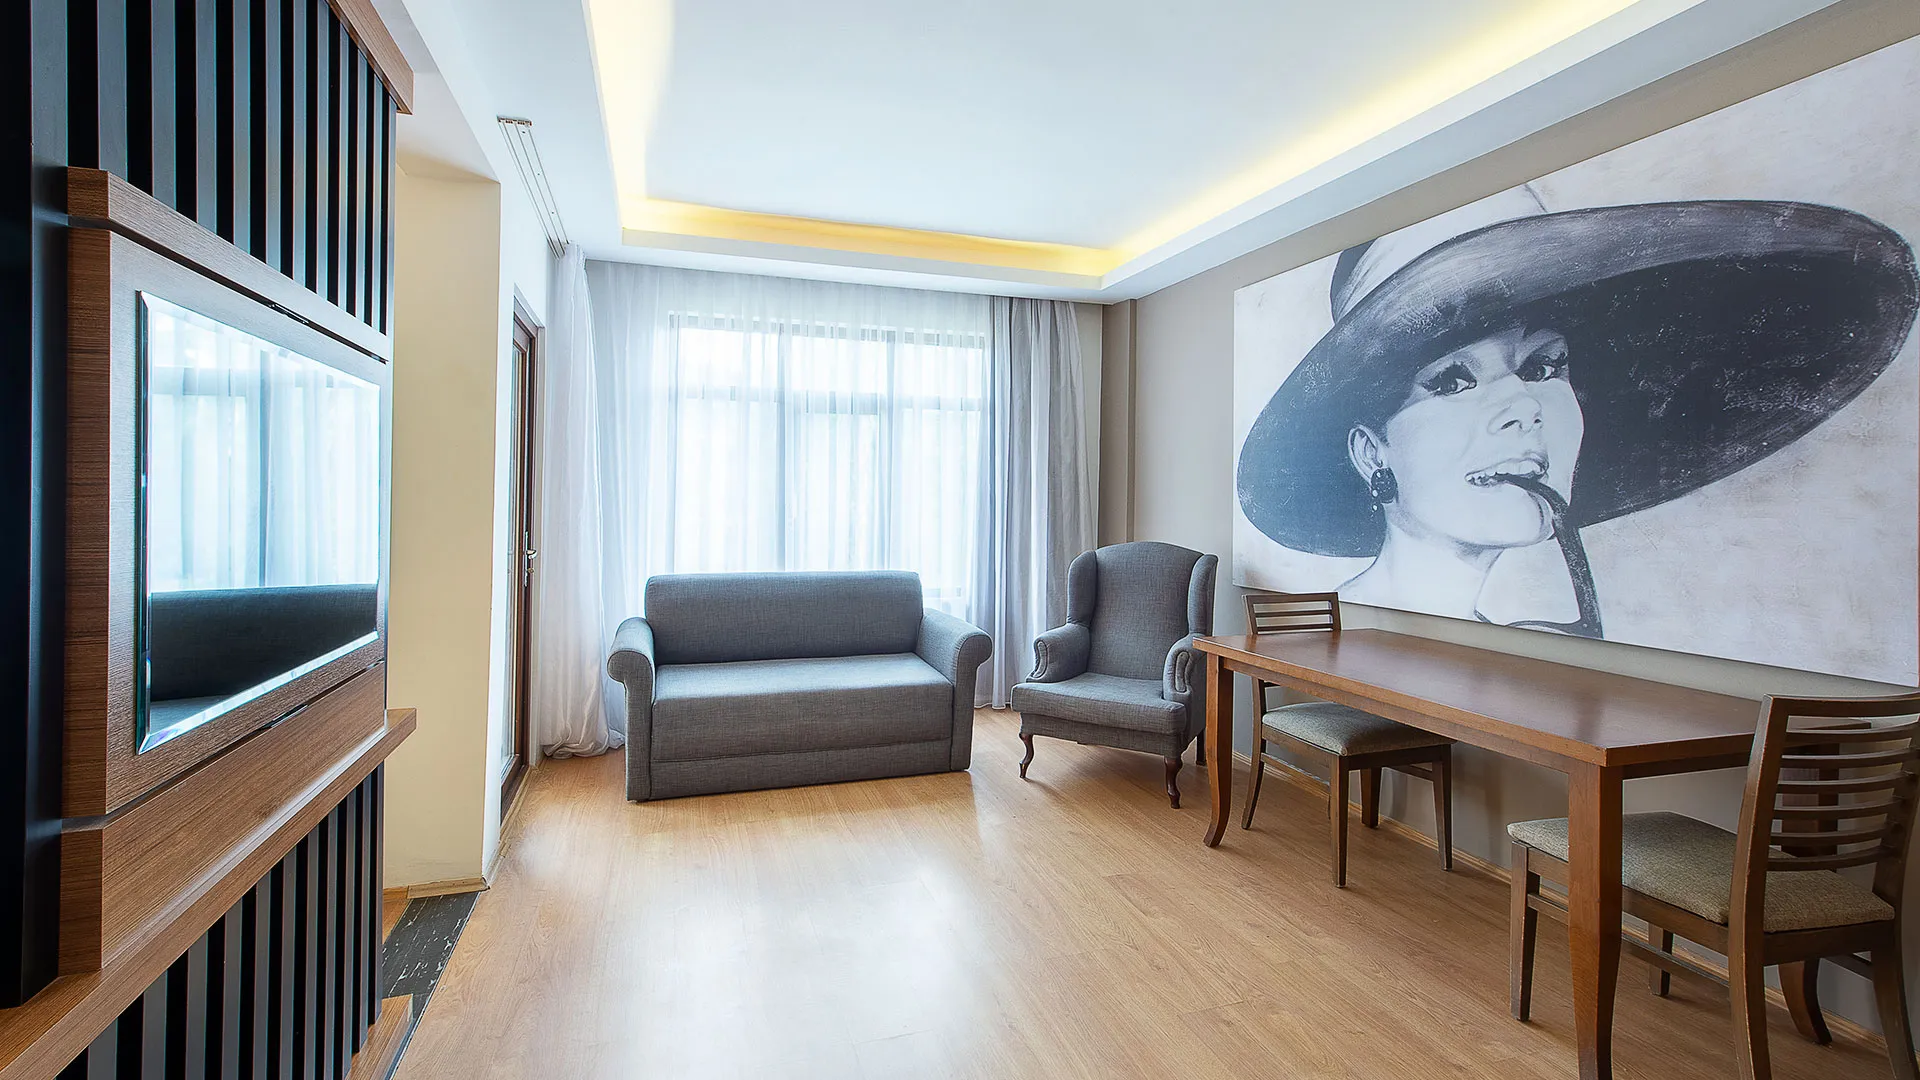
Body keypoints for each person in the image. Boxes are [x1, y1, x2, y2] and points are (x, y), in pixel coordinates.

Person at [1237, 186, 1919, 637]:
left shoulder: (1529, 632)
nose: (1523, 407)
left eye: (1544, 368)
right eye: (1451, 382)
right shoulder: (1345, 623)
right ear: (1371, 452)